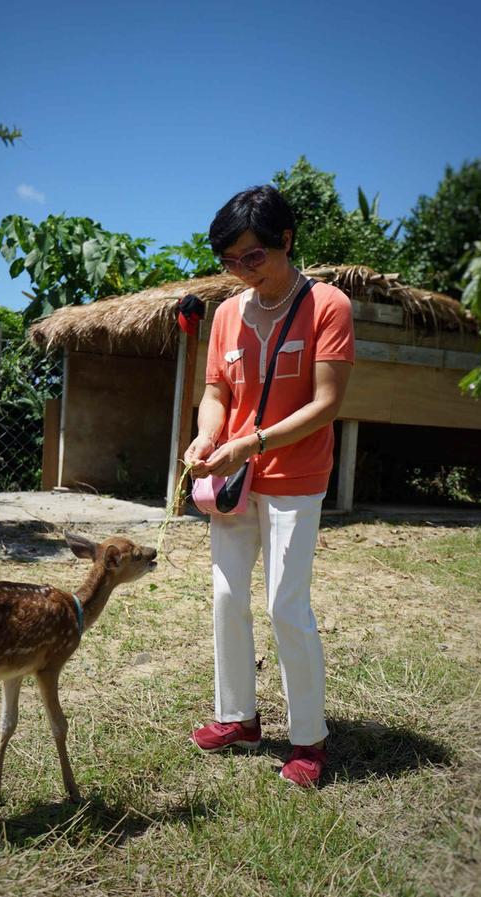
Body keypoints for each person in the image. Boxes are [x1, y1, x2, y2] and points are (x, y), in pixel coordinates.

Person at [185, 185, 354, 786]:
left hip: (295, 476)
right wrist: (208, 437)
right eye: (229, 261)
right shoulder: (228, 313)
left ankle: (308, 738)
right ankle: (239, 717)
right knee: (228, 597)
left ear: (286, 240)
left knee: (287, 604)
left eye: (252, 257)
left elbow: (327, 403)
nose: (240, 272)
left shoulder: (328, 306)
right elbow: (216, 394)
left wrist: (250, 443)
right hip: (232, 476)